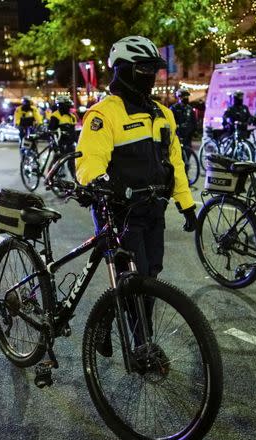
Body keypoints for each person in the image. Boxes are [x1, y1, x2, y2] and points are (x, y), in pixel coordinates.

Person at [76, 35, 196, 282]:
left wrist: (186, 204)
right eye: (144, 68)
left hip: (154, 210)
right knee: (131, 283)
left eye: (154, 69)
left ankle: (139, 321)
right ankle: (117, 319)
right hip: (120, 213)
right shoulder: (105, 113)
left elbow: (175, 162)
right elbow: (90, 159)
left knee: (151, 276)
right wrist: (97, 183)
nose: (151, 76)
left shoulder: (163, 114)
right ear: (123, 70)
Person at [48, 96, 78, 172]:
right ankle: (50, 176)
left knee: (72, 163)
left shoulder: (72, 117)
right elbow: (51, 131)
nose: (69, 108)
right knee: (57, 160)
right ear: (61, 105)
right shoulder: (55, 116)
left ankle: (75, 180)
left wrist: (78, 142)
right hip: (59, 143)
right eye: (67, 105)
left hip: (69, 143)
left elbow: (73, 131)